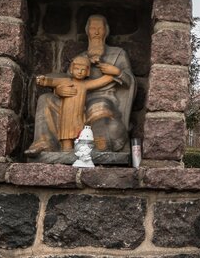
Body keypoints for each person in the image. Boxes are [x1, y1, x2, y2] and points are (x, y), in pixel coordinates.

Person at [26, 15, 136, 156]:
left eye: (100, 28)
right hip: (75, 99)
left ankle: (98, 146)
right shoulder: (80, 57)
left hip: (103, 99)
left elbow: (130, 82)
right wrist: (59, 90)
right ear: (87, 31)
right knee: (45, 99)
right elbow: (68, 80)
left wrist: (117, 72)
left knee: (99, 109)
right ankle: (44, 142)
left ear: (106, 31)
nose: (96, 32)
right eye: (92, 28)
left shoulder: (118, 54)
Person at [35, 56, 121, 151]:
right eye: (76, 69)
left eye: (83, 70)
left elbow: (99, 82)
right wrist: (45, 81)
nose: (79, 72)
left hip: (81, 111)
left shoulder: (85, 84)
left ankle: (81, 148)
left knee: (79, 130)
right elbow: (53, 81)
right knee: (66, 130)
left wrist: (116, 72)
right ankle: (65, 148)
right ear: (71, 69)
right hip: (67, 112)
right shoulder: (67, 81)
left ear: (88, 72)